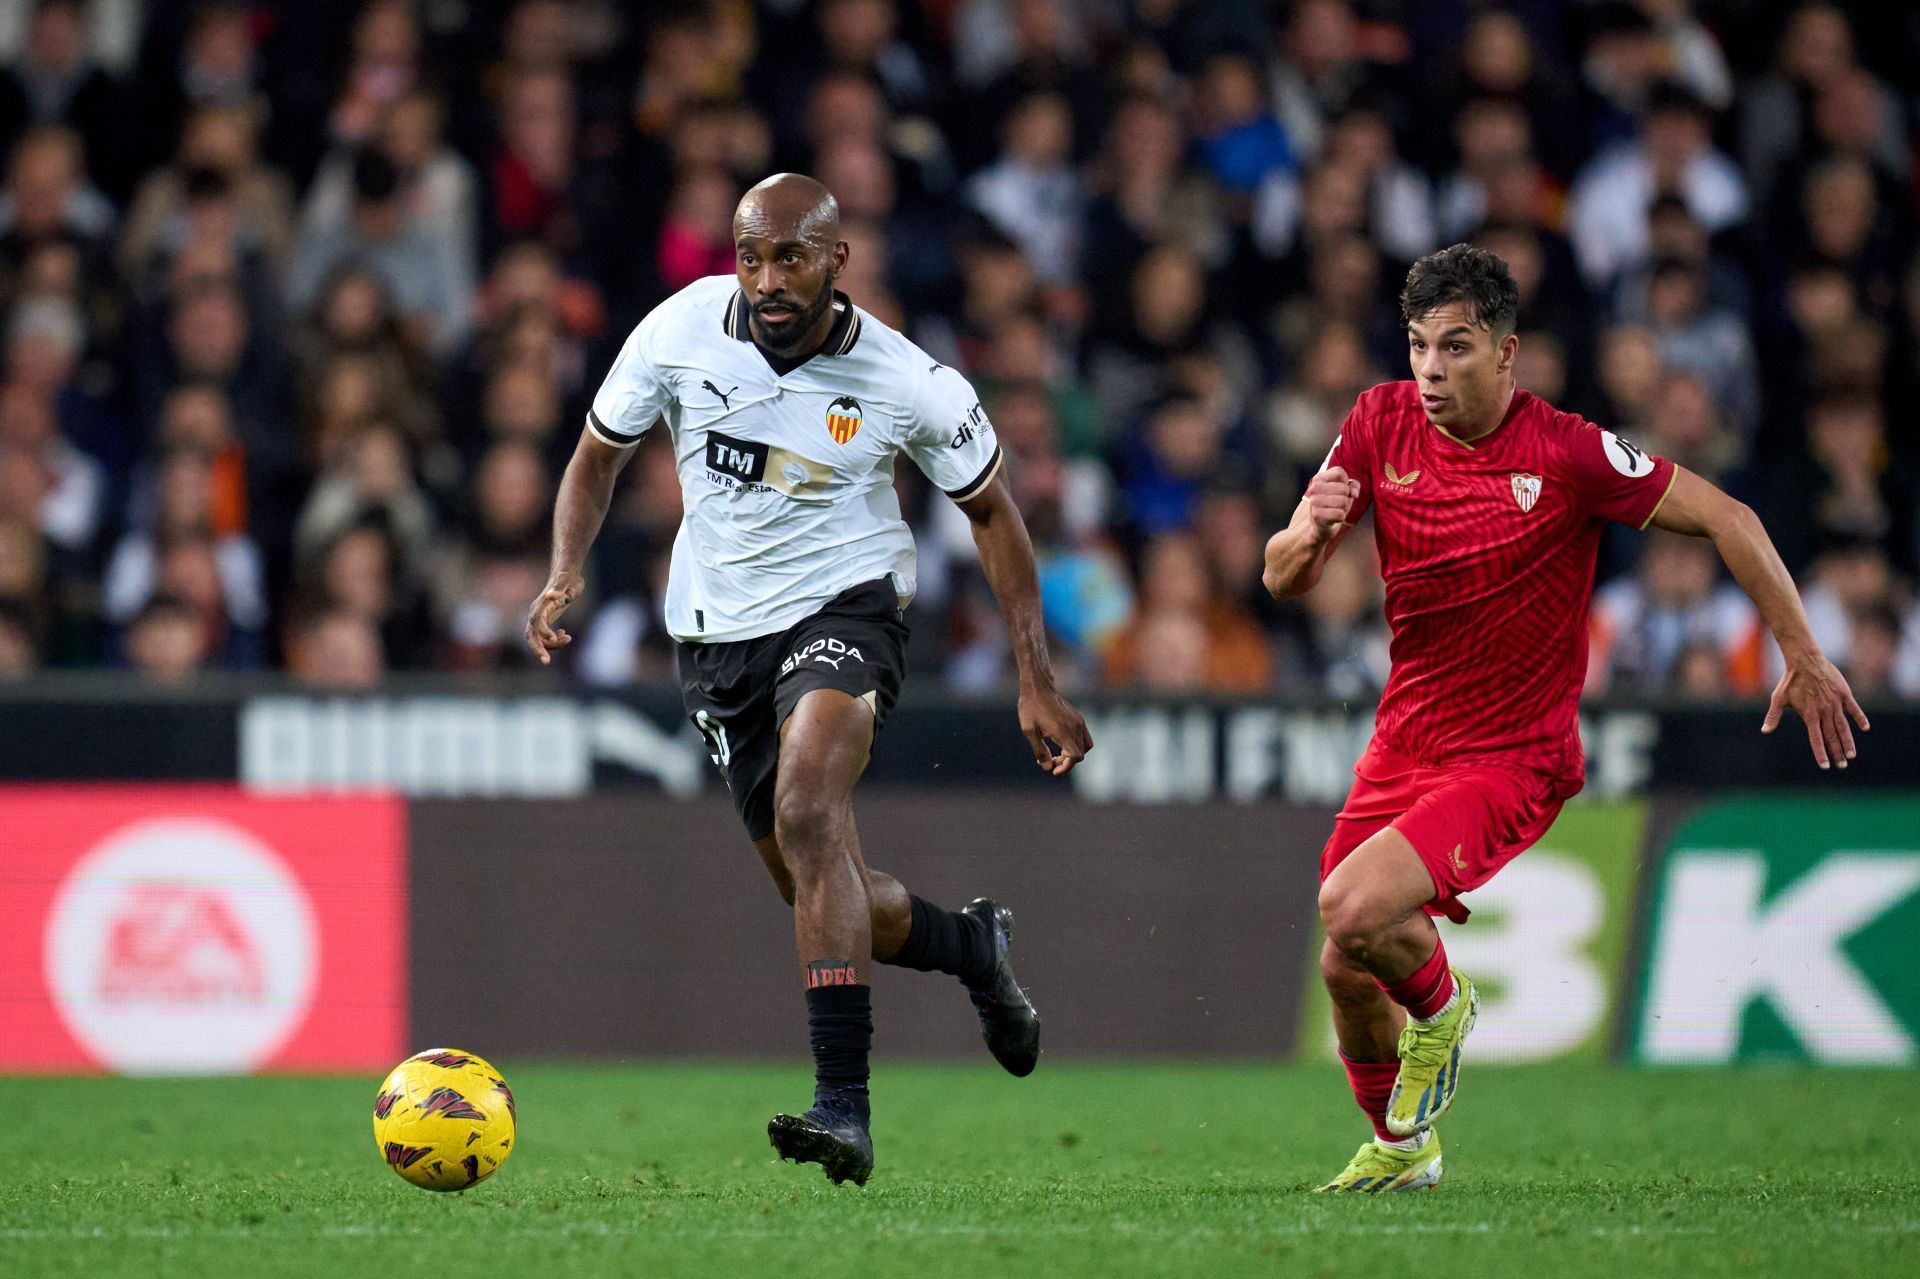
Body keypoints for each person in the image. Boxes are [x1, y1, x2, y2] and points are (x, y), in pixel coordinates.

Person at [1262, 244, 1867, 1193]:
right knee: (1344, 962)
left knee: (1350, 904)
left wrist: (1801, 649)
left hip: (1511, 755)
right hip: (1404, 740)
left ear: (1507, 354)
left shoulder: (1569, 453)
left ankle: (1447, 1006)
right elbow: (1282, 575)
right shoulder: (1376, 422)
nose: (1429, 369)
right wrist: (1304, 530)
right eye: (1419, 345)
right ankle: (1404, 1147)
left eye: (1455, 347)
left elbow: (1731, 517)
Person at [524, 173, 1091, 1187]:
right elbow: (596, 455)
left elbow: (995, 515)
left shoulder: (909, 381)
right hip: (716, 640)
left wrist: (1035, 678)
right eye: (751, 254)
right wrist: (566, 568)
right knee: (822, 885)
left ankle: (845, 1106)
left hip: (846, 612)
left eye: (791, 256)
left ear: (838, 260)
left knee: (808, 806)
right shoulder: (680, 330)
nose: (769, 277)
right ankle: (973, 949)